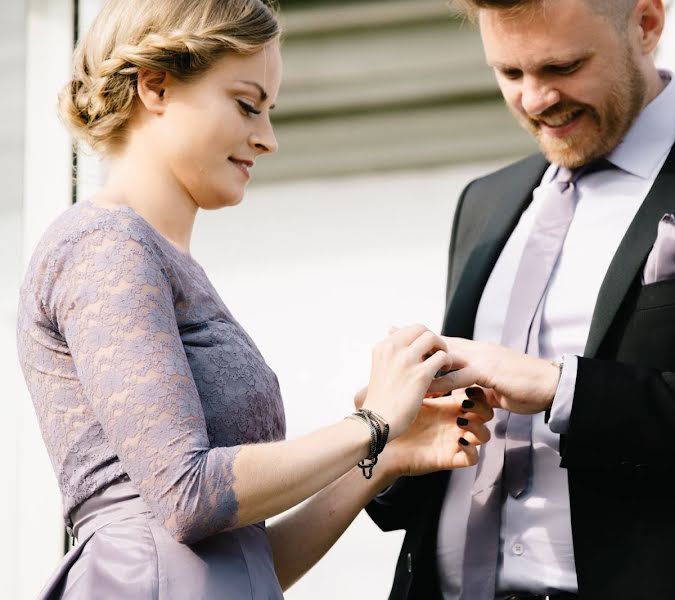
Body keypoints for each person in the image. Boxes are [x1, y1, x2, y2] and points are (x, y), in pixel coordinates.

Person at [366, 0, 675, 598]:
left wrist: (564, 390)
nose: (535, 99)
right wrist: (391, 437)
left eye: (563, 67)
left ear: (647, 24)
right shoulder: (485, 202)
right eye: (510, 73)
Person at [16, 1, 492, 598]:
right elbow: (187, 497)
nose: (266, 139)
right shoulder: (104, 246)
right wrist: (370, 424)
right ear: (155, 86)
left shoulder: (157, 261)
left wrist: (385, 456)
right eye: (247, 105)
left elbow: (247, 564)